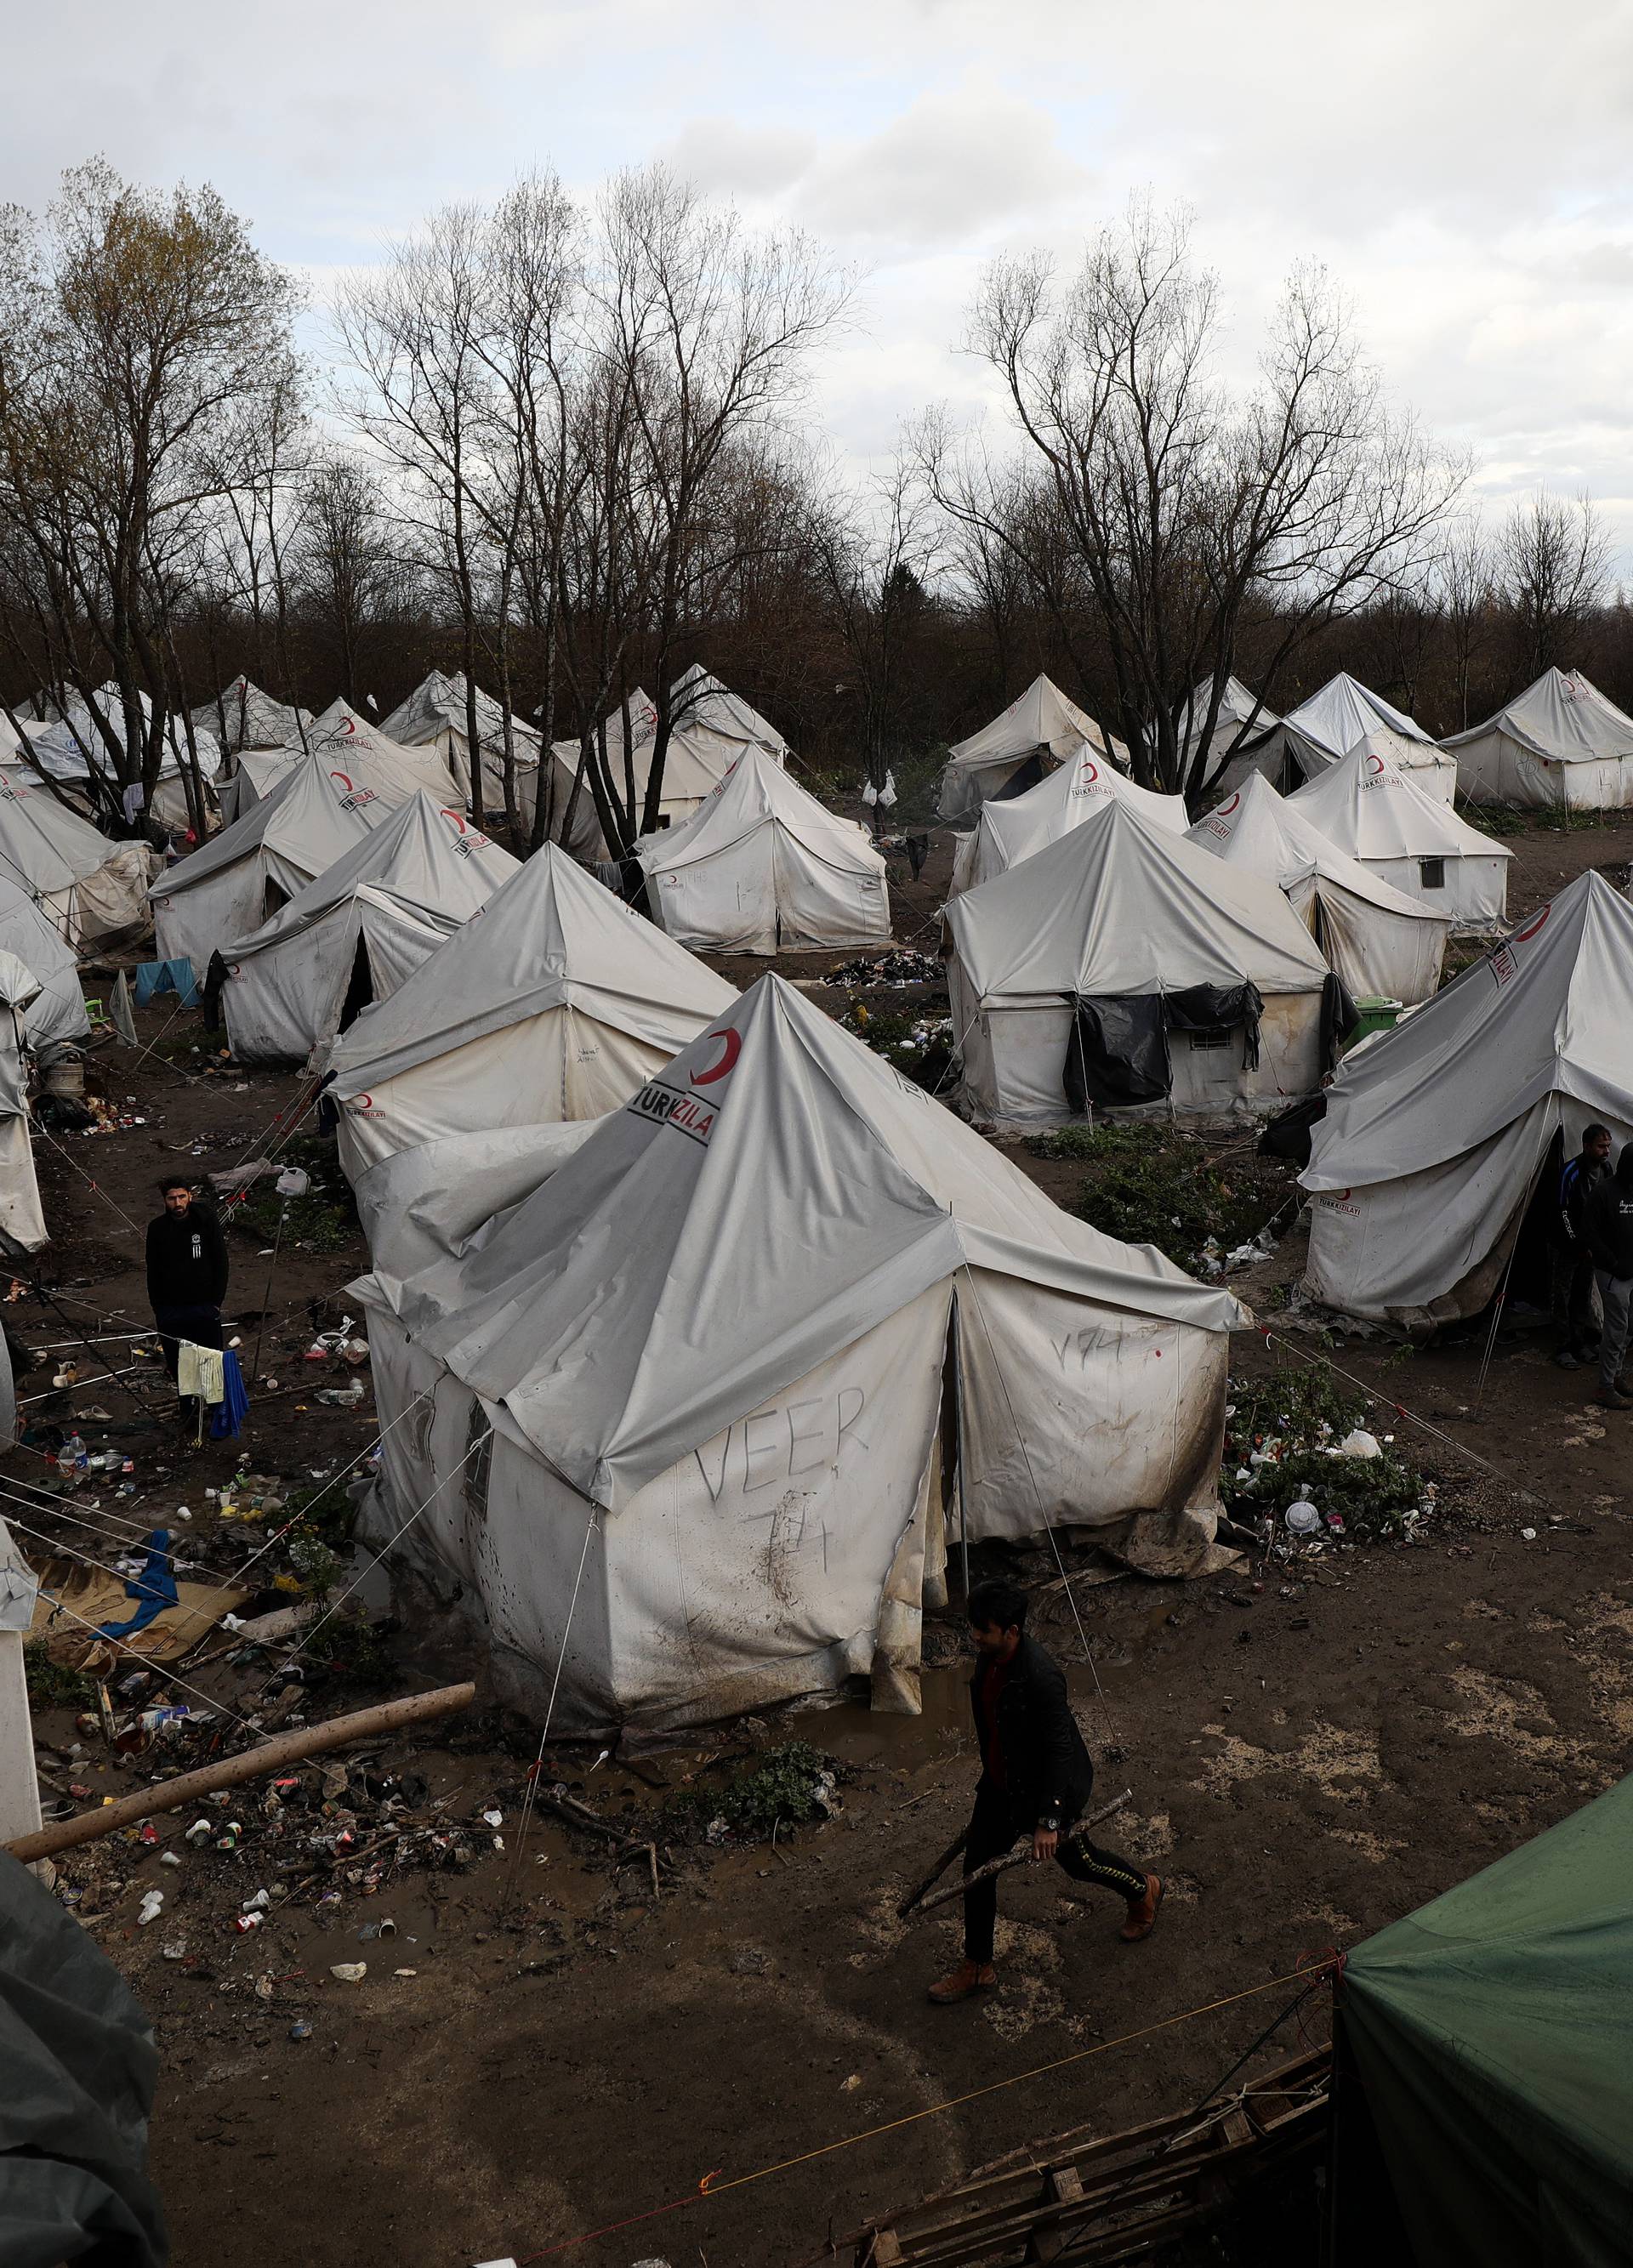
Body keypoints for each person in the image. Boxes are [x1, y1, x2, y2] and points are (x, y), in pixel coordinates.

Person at [928, 1580, 1161, 2006]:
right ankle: (978, 1965)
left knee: (1081, 1864)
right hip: (1001, 1787)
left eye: (984, 1630)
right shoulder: (987, 1662)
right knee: (977, 1870)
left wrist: (1049, 1820)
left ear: (1012, 1631)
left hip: (1046, 1792)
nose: (975, 1637)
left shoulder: (1042, 1677)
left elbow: (1060, 1747)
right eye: (973, 1628)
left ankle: (1142, 1889)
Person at [145, 1178, 229, 1421]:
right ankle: (188, 1409)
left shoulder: (205, 1222)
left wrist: (216, 1302)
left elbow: (220, 1262)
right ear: (165, 1200)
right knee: (180, 1361)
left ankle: (217, 1408)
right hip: (171, 1308)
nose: (178, 1203)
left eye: (181, 1197)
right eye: (172, 1198)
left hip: (204, 1304)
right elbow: (153, 1270)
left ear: (189, 1196)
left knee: (211, 1358)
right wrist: (158, 1308)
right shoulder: (157, 1229)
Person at [1553, 1125, 1612, 1368]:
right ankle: (1563, 1347)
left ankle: (1579, 1343)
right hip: (1566, 1245)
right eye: (1601, 1146)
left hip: (1590, 1247)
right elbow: (1562, 1211)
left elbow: (1605, 1209)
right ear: (1586, 1146)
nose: (1606, 1151)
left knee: (1582, 1294)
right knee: (1561, 1294)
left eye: (1608, 1146)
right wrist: (1576, 1242)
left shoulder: (1606, 1170)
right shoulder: (1571, 1172)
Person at [1580, 1144, 1633, 1412]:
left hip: (1631, 1271)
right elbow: (1589, 1234)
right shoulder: (1604, 1193)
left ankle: (1616, 1374)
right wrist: (1613, 1263)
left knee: (1629, 1327)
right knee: (1616, 1328)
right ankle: (1605, 1387)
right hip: (1612, 1273)